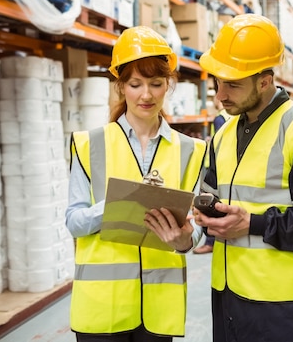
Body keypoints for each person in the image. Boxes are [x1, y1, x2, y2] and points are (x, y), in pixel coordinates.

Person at [195, 14, 293, 342]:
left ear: (265, 80)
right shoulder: (223, 133)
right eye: (217, 82)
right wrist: (196, 222)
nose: (220, 95)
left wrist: (253, 224)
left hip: (282, 307)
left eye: (233, 84)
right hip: (227, 296)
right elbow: (212, 205)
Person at [65, 26, 207, 341]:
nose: (146, 95)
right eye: (135, 84)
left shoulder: (190, 150)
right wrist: (114, 207)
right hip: (103, 308)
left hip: (159, 308)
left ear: (168, 85)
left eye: (156, 84)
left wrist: (185, 239)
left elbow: (195, 228)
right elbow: (74, 222)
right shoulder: (90, 144)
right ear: (120, 87)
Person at [194, 96, 230, 254]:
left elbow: (220, 142)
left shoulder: (220, 118)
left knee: (208, 203)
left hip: (216, 165)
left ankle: (209, 241)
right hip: (228, 165)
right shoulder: (235, 116)